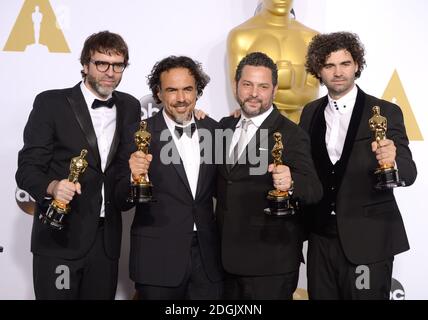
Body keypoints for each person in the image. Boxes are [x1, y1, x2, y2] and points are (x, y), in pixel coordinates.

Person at [15, 31, 141, 299]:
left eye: (117, 65)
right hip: (61, 236)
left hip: (106, 242)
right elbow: (27, 167)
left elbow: (121, 168)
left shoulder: (130, 106)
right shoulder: (51, 103)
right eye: (101, 64)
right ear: (85, 64)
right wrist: (52, 186)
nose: (110, 72)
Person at [300, 31, 417, 300]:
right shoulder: (310, 112)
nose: (338, 72)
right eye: (329, 65)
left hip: (368, 240)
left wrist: (393, 160)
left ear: (357, 66)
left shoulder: (385, 111)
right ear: (319, 70)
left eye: (345, 63)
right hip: (320, 240)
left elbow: (408, 172)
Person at [114, 56, 223, 300]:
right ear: (159, 93)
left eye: (188, 89)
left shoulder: (215, 131)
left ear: (198, 91)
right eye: (172, 90)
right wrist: (133, 177)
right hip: (157, 260)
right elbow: (120, 199)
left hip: (207, 261)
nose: (181, 98)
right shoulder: (137, 133)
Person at [216, 52, 322, 300]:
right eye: (247, 84)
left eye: (263, 86)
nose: (254, 93)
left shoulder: (292, 134)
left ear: (274, 90)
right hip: (224, 260)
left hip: (270, 263)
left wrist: (292, 181)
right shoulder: (223, 127)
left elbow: (314, 189)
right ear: (235, 85)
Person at [227, 0, 319, 123]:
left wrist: (267, 92)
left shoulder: (310, 37)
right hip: (258, 129)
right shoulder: (241, 36)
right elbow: (239, 90)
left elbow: (313, 94)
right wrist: (292, 91)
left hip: (301, 129)